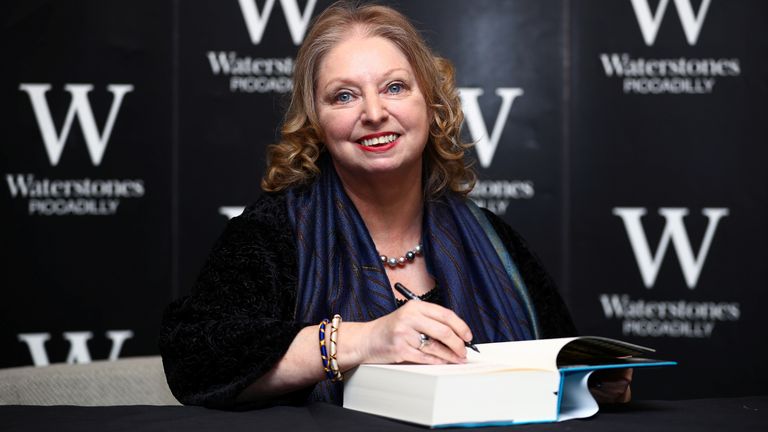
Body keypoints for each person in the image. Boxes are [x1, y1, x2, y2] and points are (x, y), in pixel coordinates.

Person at [159, 1, 630, 408]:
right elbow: (195, 362)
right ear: (317, 123)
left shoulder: (494, 240)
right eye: (344, 95)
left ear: (431, 103)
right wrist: (364, 340)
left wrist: (591, 383)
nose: (374, 112)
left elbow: (557, 359)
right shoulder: (273, 233)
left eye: (395, 87)